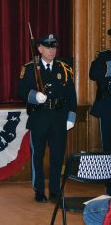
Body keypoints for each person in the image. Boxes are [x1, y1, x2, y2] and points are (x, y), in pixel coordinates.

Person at [18, 34, 77, 203]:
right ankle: (38, 190)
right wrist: (34, 96)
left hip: (59, 118)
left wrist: (71, 117)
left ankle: (55, 191)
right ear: (40, 49)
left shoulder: (64, 69)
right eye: (48, 48)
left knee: (57, 156)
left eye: (54, 48)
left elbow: (71, 96)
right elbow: (21, 91)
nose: (52, 51)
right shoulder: (30, 68)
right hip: (39, 117)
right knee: (38, 155)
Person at [89, 29, 111, 196]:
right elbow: (93, 75)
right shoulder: (104, 57)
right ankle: (109, 185)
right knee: (108, 146)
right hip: (107, 106)